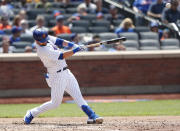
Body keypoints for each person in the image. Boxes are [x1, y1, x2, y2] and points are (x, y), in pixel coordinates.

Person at [24, 28, 103, 124]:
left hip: (66, 72)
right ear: (36, 40)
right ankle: (32, 113)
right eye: (42, 41)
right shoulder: (42, 50)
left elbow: (60, 41)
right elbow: (62, 55)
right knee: (55, 104)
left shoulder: (46, 38)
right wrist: (76, 49)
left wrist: (73, 45)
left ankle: (92, 116)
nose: (44, 42)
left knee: (78, 96)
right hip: (56, 76)